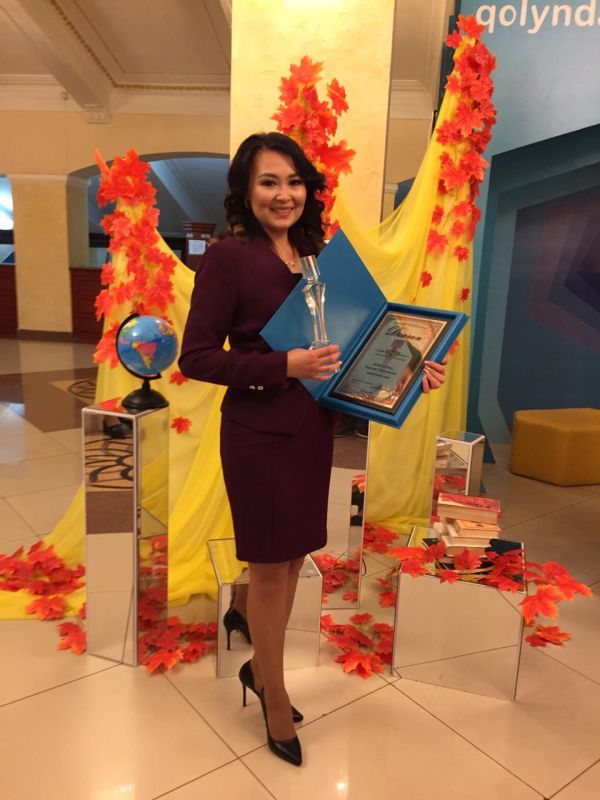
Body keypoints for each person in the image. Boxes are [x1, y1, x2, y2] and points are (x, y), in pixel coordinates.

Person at [179, 131, 446, 767]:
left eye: (294, 181)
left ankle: (249, 631)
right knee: (274, 566)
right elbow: (196, 358)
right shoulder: (228, 258)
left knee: (292, 557)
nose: (284, 194)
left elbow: (353, 345)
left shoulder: (319, 256)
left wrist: (408, 369)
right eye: (269, 182)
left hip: (310, 432)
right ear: (246, 191)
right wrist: (284, 364)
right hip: (257, 435)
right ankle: (272, 690)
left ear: (308, 189)